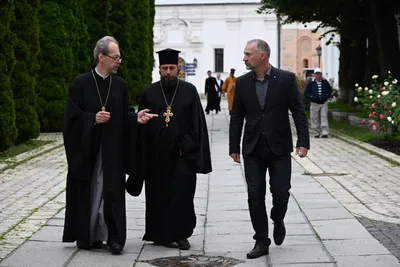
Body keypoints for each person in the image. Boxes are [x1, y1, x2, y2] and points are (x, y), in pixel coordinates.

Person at [62, 36, 157, 255]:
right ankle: (91, 236)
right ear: (101, 57)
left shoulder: (120, 85)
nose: (119, 61)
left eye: (119, 57)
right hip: (90, 151)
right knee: (92, 191)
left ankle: (115, 239)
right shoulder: (80, 83)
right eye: (115, 57)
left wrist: (136, 118)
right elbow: (70, 119)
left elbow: (124, 115)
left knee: (113, 193)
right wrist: (92, 119)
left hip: (113, 150)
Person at [229, 39, 310, 259]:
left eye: (248, 54)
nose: (244, 58)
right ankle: (261, 241)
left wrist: (303, 141)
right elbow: (236, 116)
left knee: (281, 191)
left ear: (262, 55)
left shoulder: (286, 79)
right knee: (254, 194)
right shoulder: (243, 82)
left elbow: (298, 111)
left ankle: (278, 217)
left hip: (279, 147)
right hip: (252, 148)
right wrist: (233, 146)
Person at [136, 48, 212, 250]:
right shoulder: (149, 92)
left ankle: (181, 234)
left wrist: (186, 144)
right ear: (159, 69)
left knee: (182, 195)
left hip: (181, 155)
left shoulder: (189, 91)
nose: (168, 72)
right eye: (164, 68)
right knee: (157, 195)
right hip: (157, 156)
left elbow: (197, 125)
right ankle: (159, 233)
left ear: (178, 68)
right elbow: (141, 124)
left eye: (171, 68)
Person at [304, 68, 332, 138]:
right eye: (316, 74)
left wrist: (326, 97)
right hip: (314, 103)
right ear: (314, 75)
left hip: (323, 103)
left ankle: (325, 132)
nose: (317, 75)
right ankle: (316, 132)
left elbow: (329, 91)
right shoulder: (311, 83)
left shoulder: (325, 82)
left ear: (321, 74)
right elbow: (306, 93)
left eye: (319, 74)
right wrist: (312, 97)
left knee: (324, 116)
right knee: (314, 117)